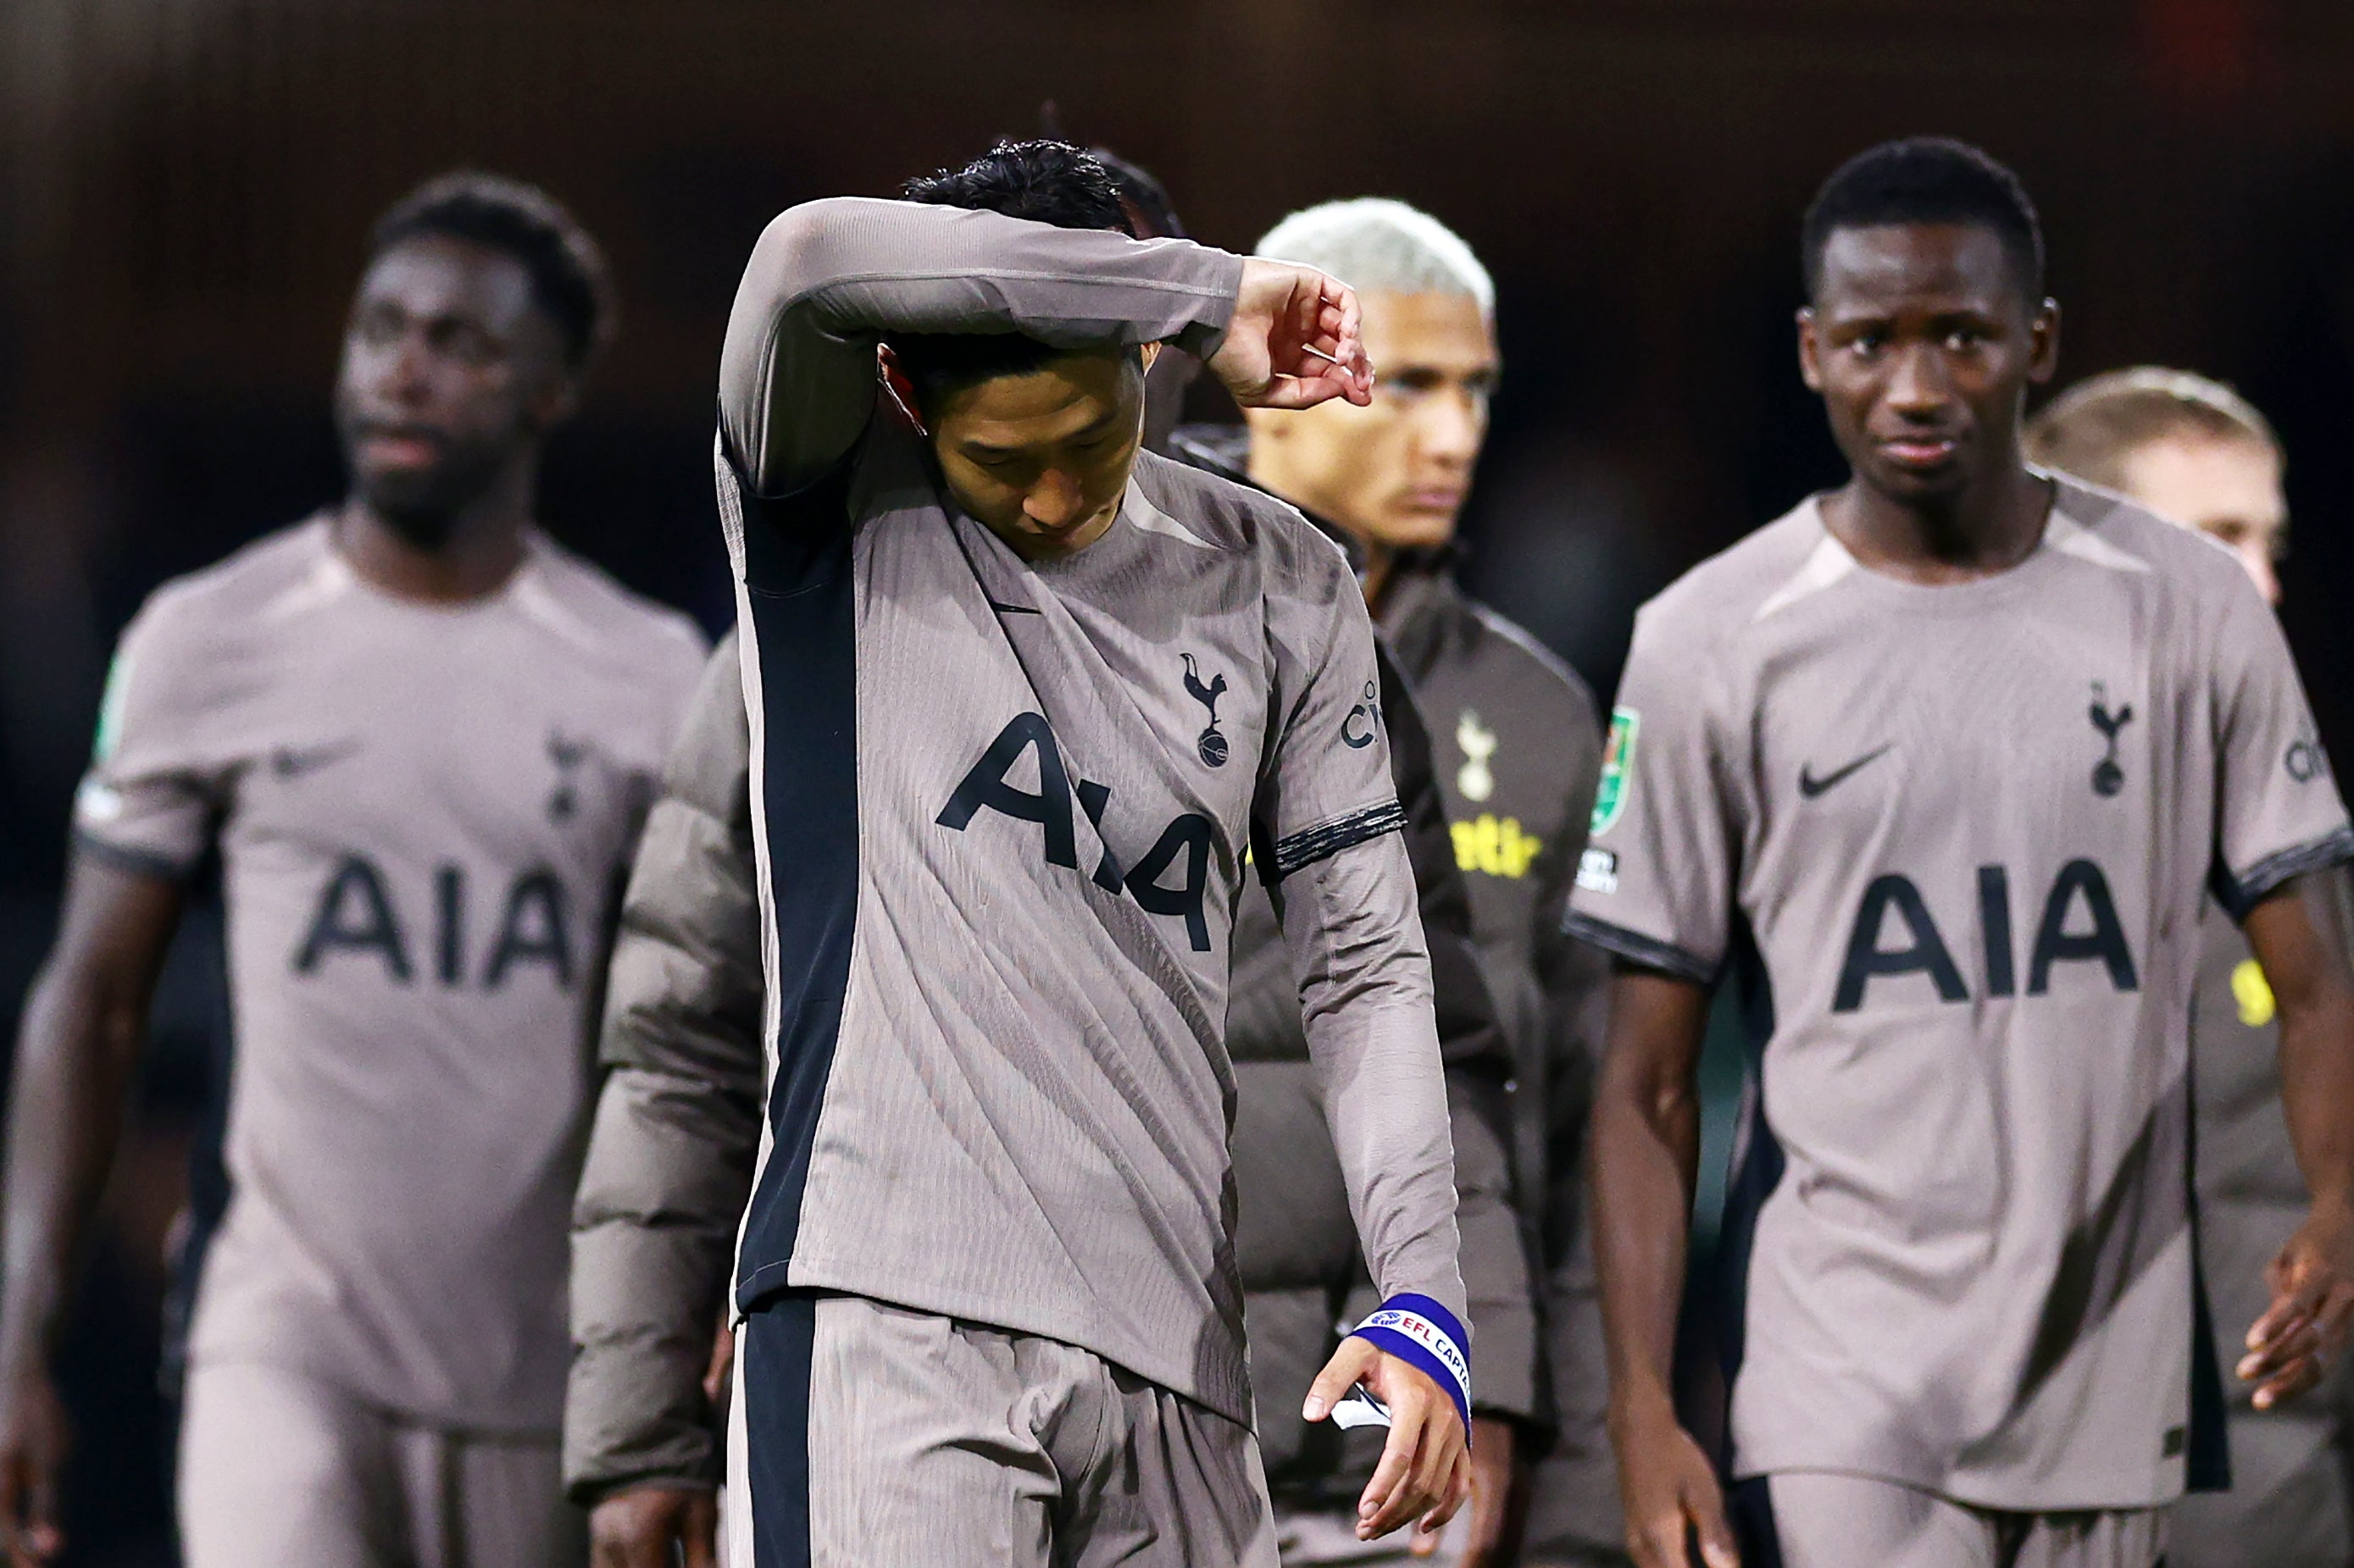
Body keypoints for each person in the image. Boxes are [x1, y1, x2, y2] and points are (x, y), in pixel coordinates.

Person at [566, 166, 1523, 1568]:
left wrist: (1422, 1297)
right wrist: (1217, 292)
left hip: (1183, 1370)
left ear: (1141, 363)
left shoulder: (1286, 579)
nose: (1057, 493)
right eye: (1003, 463)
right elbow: (807, 253)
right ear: (900, 388)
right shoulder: (829, 513)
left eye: (1091, 437)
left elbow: (1367, 968)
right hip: (887, 1323)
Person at [1568, 137, 2354, 1568]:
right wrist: (1638, 1406)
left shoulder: (2189, 605)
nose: (1915, 386)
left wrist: (2340, 1201)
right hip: (1840, 1384)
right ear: (1812, 352)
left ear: (2037, 343)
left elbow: (2315, 971)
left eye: (1962, 338)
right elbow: (1644, 1077)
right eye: (1870, 341)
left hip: (2107, 1376)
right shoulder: (1706, 637)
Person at [0, 172, 708, 1566]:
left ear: (552, 389)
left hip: (540, 1368)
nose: (405, 369)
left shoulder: (647, 678)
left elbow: (695, 1044)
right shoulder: (207, 642)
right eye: (379, 328)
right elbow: (93, 999)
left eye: (462, 343)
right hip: (281, 1347)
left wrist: (683, 1354)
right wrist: (17, 1332)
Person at [1178, 197, 1612, 1567]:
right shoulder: (1113, 628)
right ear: (1279, 372)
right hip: (1149, 1405)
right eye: (1411, 382)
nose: (1456, 434)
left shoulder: (1542, 720)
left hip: (1402, 1441)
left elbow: (1576, 1126)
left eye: (1476, 390)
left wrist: (1562, 1458)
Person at [2026, 369, 2354, 1566]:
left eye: (2267, 542)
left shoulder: (2312, 879)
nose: (2260, 587)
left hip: (2281, 1516)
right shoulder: (1918, 858)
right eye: (2217, 542)